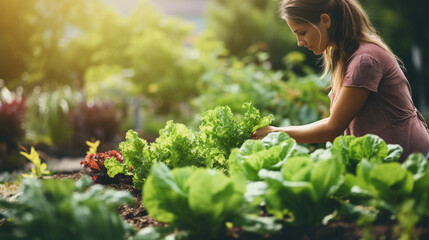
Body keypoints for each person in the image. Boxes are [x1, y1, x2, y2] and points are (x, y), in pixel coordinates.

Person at [251, 0, 429, 162]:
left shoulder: (364, 61)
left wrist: (276, 133)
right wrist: (276, 132)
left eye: (302, 32)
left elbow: (332, 127)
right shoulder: (347, 55)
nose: (299, 42)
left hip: (413, 163)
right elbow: (334, 121)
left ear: (325, 20)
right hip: (392, 163)